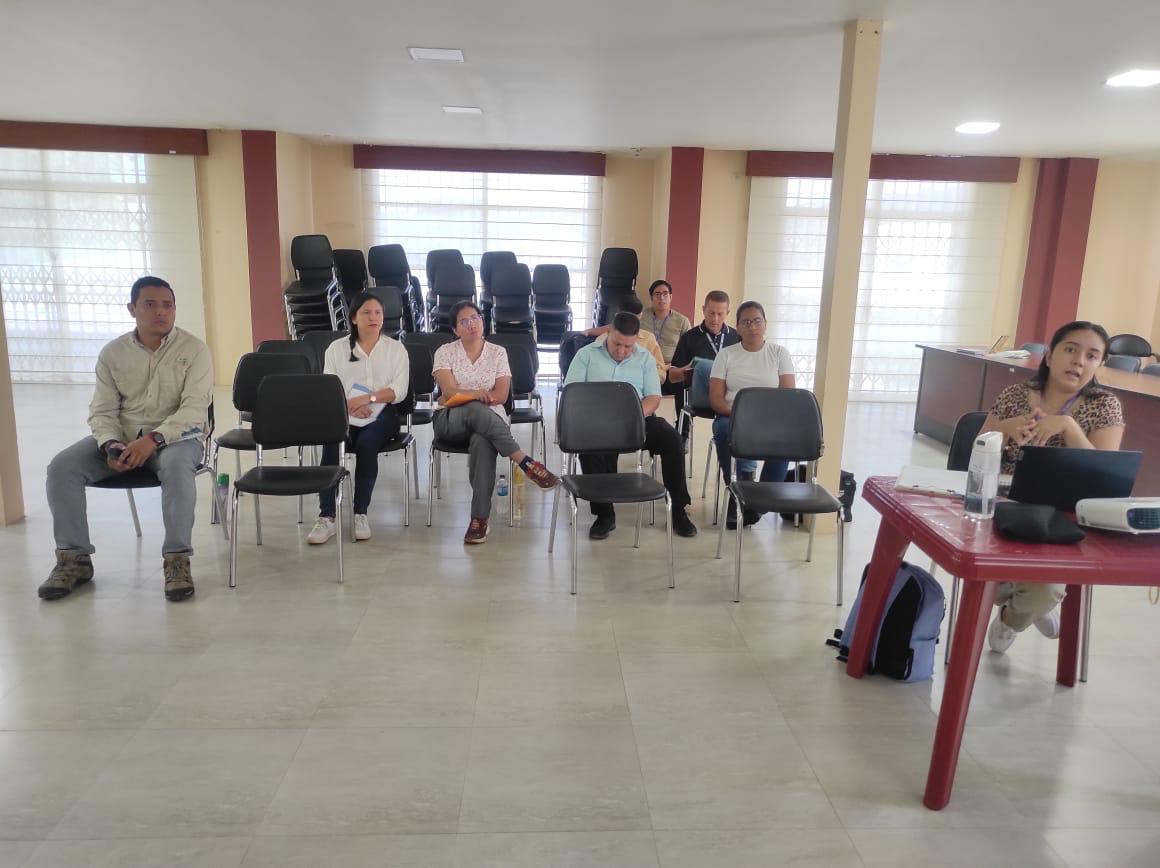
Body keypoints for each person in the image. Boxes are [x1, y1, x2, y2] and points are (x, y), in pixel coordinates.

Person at [40, 276, 212, 602]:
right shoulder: (112, 353)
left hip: (176, 439)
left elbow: (193, 411)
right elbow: (102, 411)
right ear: (132, 308)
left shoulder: (194, 350)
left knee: (177, 468)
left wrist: (154, 439)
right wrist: (110, 444)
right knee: (62, 467)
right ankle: (73, 559)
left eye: (168, 305)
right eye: (150, 304)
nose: (161, 312)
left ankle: (177, 560)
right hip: (123, 438)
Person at [981, 320, 1124, 654]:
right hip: (1002, 509)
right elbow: (978, 449)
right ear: (1049, 355)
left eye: (1091, 356)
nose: (1079, 361)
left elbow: (1106, 478)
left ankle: (1012, 619)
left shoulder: (1104, 405)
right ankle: (1030, 603)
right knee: (985, 573)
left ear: (1099, 365)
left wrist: (1070, 429)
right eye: (1071, 349)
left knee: (1044, 589)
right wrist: (1003, 429)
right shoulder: (1015, 395)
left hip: (1064, 520)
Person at [432, 300, 558, 544]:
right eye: (464, 321)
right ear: (455, 329)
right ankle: (524, 460)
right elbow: (448, 393)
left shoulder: (498, 352)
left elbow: (500, 395)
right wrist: (474, 395)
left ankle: (479, 518)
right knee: (473, 408)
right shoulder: (444, 352)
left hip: (489, 423)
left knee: (482, 441)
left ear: (483, 320)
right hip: (450, 420)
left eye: (475, 318)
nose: (472, 324)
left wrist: (464, 394)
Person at [564, 312, 698, 539]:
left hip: (636, 420)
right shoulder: (586, 355)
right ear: (608, 333)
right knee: (589, 446)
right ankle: (604, 514)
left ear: (636, 339)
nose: (621, 351)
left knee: (672, 440)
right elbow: (573, 393)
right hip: (597, 421)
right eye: (617, 344)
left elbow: (653, 398)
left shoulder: (645, 358)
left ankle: (678, 510)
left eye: (628, 346)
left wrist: (631, 416)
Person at [307, 292, 409, 545]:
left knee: (367, 443)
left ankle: (360, 513)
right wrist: (349, 405)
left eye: (378, 313)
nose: (373, 318)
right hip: (344, 411)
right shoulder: (336, 349)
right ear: (353, 318)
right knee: (332, 442)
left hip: (384, 413)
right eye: (366, 313)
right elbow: (329, 388)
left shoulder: (395, 349)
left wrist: (368, 399)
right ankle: (326, 516)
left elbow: (399, 390)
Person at [708, 300, 795, 529]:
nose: (752, 327)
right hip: (732, 416)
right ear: (737, 326)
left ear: (766, 324)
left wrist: (761, 417)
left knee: (786, 436)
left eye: (757, 321)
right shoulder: (726, 355)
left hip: (770, 418)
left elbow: (788, 396)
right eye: (746, 322)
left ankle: (761, 500)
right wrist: (742, 414)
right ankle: (737, 490)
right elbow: (716, 398)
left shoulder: (779, 353)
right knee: (723, 429)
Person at [668, 290, 741, 442]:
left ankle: (739, 439)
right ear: (703, 310)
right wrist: (689, 368)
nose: (715, 319)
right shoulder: (689, 337)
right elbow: (672, 377)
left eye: (720, 314)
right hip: (702, 395)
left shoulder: (737, 337)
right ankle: (683, 435)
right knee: (703, 368)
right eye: (711, 313)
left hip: (730, 395)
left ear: (727, 313)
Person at [584, 293, 666, 380]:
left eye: (636, 320)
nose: (631, 325)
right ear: (617, 316)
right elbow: (593, 373)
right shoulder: (602, 340)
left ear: (640, 317)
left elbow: (661, 372)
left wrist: (645, 377)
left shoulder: (648, 338)